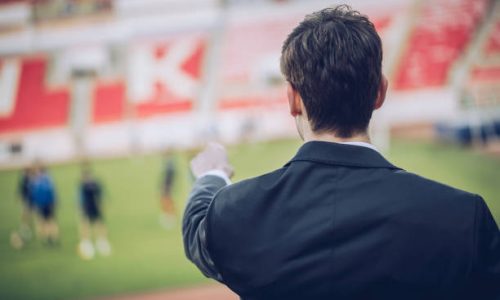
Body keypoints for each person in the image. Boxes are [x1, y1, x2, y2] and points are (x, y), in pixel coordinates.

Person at [182, 5, 500, 300]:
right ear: (380, 92)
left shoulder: (237, 214)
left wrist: (212, 174)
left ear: (293, 99)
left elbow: (197, 225)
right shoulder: (462, 218)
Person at [77, 167, 111, 260]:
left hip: (94, 207)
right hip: (87, 208)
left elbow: (101, 195)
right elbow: (79, 199)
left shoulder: (94, 184)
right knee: (86, 224)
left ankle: (101, 241)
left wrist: (102, 205)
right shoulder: (83, 185)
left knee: (98, 223)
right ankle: (87, 241)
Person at [31, 165, 59, 245]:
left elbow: (52, 192)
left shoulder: (45, 181)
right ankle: (47, 237)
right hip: (42, 205)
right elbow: (34, 195)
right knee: (44, 221)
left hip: (47, 204)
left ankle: (51, 237)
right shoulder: (37, 182)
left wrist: (54, 202)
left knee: (49, 221)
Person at [10, 167, 36, 249]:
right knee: (26, 215)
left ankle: (26, 230)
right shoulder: (25, 180)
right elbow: (21, 190)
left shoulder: (28, 180)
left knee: (28, 216)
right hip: (27, 201)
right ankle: (24, 230)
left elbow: (23, 190)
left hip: (29, 201)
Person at [159, 155, 177, 229]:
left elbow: (169, 178)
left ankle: (170, 216)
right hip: (167, 186)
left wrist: (165, 187)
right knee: (166, 200)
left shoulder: (170, 166)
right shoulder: (170, 165)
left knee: (167, 200)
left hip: (167, 187)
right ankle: (169, 216)